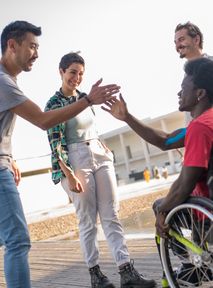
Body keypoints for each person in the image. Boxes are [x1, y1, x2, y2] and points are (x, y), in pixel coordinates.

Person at [0, 20, 121, 288]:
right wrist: (88, 100)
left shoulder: (6, 81)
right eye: (31, 46)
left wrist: (9, 157)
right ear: (12, 45)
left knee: (7, 235)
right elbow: (44, 121)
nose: (36, 53)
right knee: (18, 240)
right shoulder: (5, 83)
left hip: (4, 164)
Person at [44, 52, 156, 288]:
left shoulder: (86, 98)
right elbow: (55, 143)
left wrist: (102, 146)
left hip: (99, 154)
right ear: (61, 72)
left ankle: (127, 272)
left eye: (81, 73)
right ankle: (96, 275)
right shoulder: (53, 104)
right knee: (87, 220)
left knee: (111, 215)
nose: (77, 78)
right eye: (73, 72)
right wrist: (68, 172)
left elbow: (90, 128)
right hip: (75, 159)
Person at [102, 57, 213, 286]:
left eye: (183, 88)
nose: (179, 93)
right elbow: (165, 140)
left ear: (200, 93)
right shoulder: (204, 123)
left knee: (161, 206)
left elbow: (185, 184)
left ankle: (192, 264)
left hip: (209, 220)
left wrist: (163, 211)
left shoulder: (200, 127)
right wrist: (127, 117)